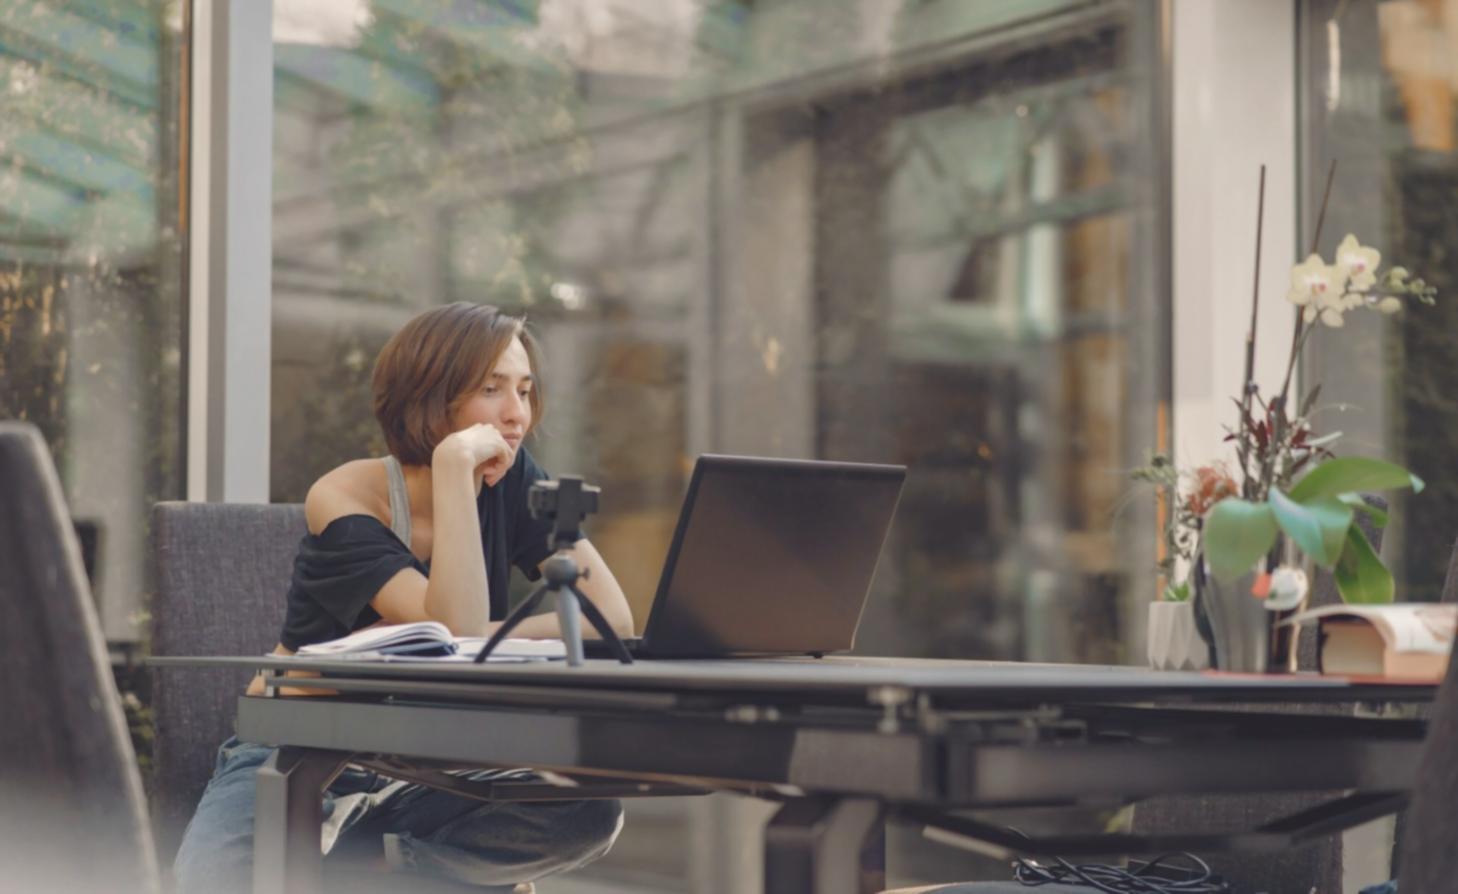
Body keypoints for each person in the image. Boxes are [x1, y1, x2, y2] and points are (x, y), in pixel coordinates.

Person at [173, 302, 634, 894]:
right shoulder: (343, 494)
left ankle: (370, 869)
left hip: (426, 770)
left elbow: (608, 616)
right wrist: (451, 467)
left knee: (588, 812)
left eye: (525, 390)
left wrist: (488, 634)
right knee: (209, 881)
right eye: (491, 389)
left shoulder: (514, 480)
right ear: (430, 395)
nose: (516, 415)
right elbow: (454, 624)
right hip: (301, 754)